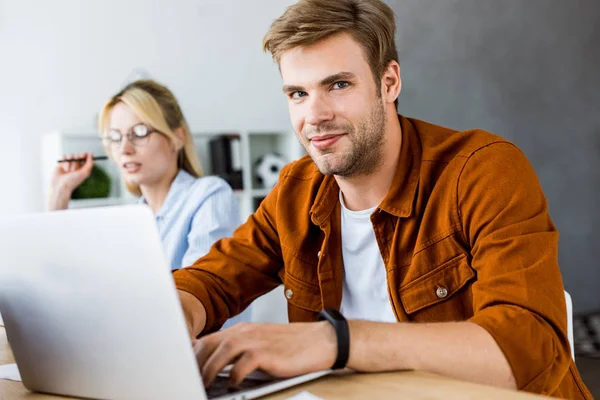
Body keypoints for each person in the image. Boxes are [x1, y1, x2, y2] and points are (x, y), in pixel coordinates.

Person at [173, 1, 592, 398]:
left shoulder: (482, 170)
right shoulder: (295, 191)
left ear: (389, 82)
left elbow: (529, 345)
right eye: (297, 93)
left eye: (338, 85)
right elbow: (209, 282)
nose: (314, 116)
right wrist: (171, 316)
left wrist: (336, 341)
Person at [48, 79, 251, 328]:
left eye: (140, 132)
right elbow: (63, 286)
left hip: (204, 357)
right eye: (114, 137)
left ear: (177, 138)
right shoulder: (129, 219)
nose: (124, 149)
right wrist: (60, 192)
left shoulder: (209, 194)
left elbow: (198, 295)